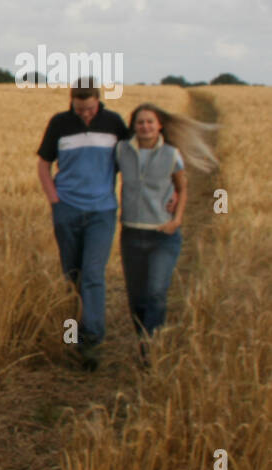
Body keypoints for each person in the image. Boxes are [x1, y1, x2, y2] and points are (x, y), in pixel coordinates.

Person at [37, 78, 128, 371]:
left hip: (102, 211)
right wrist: (55, 200)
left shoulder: (114, 123)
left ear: (98, 101)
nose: (85, 114)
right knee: (72, 276)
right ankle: (72, 336)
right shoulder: (60, 123)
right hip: (67, 210)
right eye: (79, 109)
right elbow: (43, 163)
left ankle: (92, 343)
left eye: (89, 109)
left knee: (92, 274)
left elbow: (131, 160)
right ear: (71, 102)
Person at [116, 102, 217, 365]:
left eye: (150, 122)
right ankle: (144, 340)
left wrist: (177, 219)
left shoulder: (172, 154)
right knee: (137, 298)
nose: (145, 126)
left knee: (156, 293)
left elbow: (182, 187)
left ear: (160, 125)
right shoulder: (122, 150)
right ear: (133, 126)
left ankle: (151, 348)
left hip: (163, 235)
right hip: (131, 235)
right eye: (140, 122)